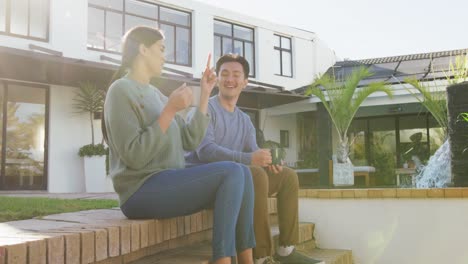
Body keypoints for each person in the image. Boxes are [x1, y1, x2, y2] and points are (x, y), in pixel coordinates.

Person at [102, 27, 255, 264]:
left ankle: (248, 261)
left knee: (243, 172)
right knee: (233, 170)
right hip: (140, 190)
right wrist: (170, 110)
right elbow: (133, 155)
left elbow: (190, 139)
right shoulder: (120, 91)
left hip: (170, 182)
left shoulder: (157, 95)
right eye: (161, 49)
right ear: (143, 49)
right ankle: (222, 260)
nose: (165, 56)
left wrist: (205, 94)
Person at [186, 54, 324, 264]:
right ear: (217, 79)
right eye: (224, 74)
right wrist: (251, 158)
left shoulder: (244, 120)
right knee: (256, 175)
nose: (229, 79)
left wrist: (271, 160)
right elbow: (205, 151)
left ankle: (286, 250)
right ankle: (260, 256)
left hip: (238, 181)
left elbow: (254, 151)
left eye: (235, 75)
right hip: (206, 182)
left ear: (245, 82)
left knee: (287, 176)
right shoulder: (206, 110)